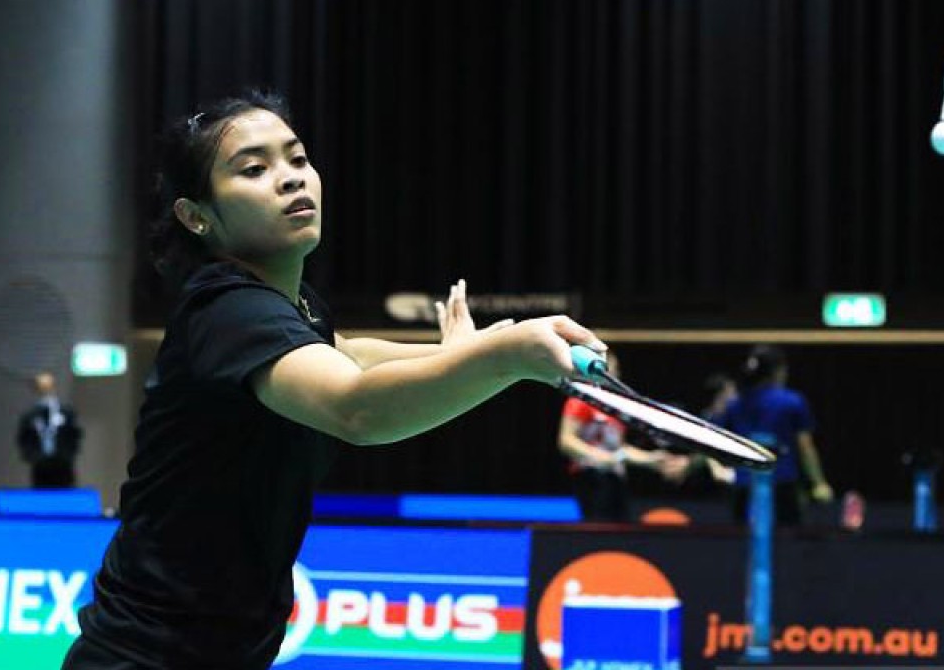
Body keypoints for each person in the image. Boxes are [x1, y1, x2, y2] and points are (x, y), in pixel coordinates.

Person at [62, 90, 607, 670]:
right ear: (197, 216)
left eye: (297, 159)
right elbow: (358, 411)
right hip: (145, 657)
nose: (290, 179)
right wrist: (505, 357)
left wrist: (454, 351)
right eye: (254, 168)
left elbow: (346, 354)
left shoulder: (293, 306)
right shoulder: (227, 310)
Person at [556, 351, 688, 521]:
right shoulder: (581, 401)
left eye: (616, 371)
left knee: (621, 532)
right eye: (608, 370)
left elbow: (620, 451)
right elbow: (566, 441)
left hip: (615, 479)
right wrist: (602, 457)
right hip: (591, 478)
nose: (614, 376)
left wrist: (651, 460)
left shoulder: (615, 409)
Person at [710, 344, 832, 526]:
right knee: (786, 546)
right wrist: (819, 483)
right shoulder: (792, 401)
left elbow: (715, 440)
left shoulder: (734, 404)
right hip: (781, 488)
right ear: (778, 370)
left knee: (742, 546)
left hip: (744, 488)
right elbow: (805, 446)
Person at [16, 371, 83, 488]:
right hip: (40, 467)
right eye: (41, 388)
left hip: (63, 467)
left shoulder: (66, 413)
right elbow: (24, 439)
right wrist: (33, 457)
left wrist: (67, 456)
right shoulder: (30, 416)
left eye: (47, 387)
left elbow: (74, 436)